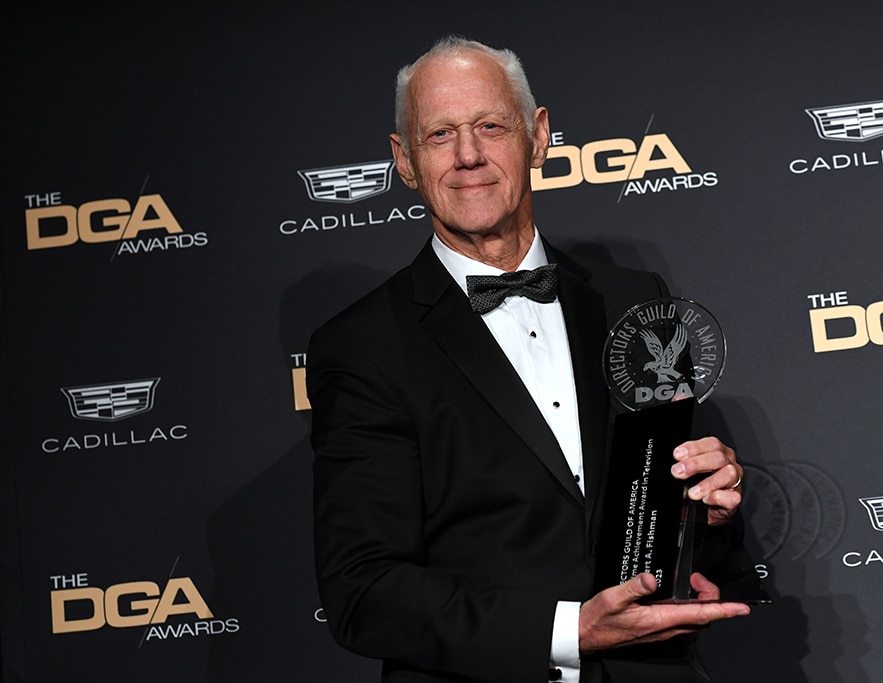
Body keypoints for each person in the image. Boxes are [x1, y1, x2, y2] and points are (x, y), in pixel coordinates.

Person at [308, 36, 750, 683]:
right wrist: (569, 631)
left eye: (491, 126)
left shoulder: (633, 298)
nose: (468, 155)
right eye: (439, 135)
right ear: (404, 160)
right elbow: (364, 592)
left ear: (538, 135)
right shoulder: (363, 344)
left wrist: (710, 514)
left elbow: (687, 541)